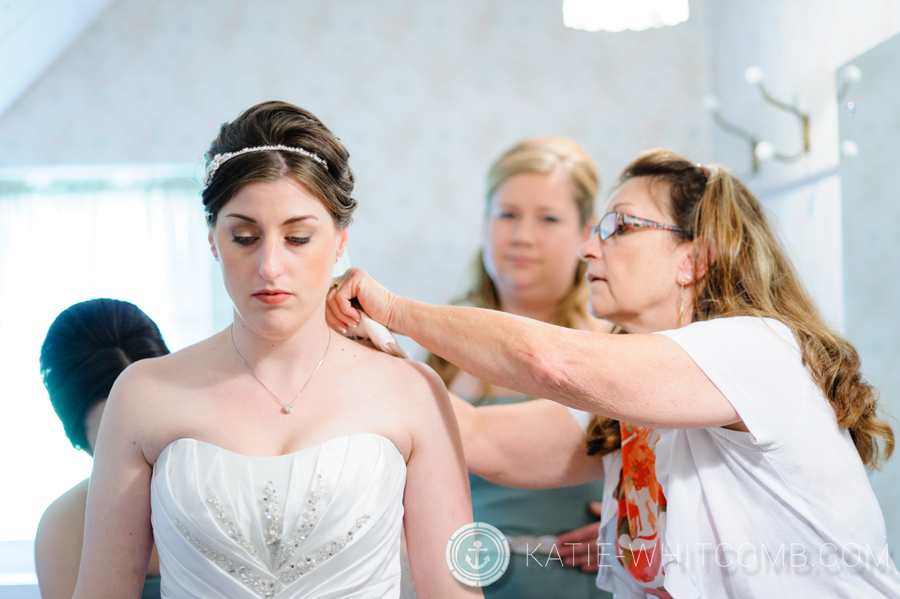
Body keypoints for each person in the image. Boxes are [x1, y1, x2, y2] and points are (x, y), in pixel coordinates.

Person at [328, 148, 900, 597]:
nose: (587, 250)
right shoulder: (636, 401)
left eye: (618, 228)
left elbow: (549, 361)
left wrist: (397, 311)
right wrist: (366, 341)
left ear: (695, 258)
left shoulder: (756, 347)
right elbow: (479, 437)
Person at [73, 101, 481, 599]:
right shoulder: (144, 395)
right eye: (244, 237)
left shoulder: (412, 392)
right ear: (212, 241)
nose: (269, 266)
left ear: (339, 242)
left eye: (298, 237)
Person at [426, 137, 612, 598]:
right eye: (507, 214)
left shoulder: (615, 346)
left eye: (547, 218)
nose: (522, 235)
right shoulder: (442, 350)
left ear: (585, 232)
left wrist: (639, 526)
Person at [36, 298, 169, 599]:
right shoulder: (64, 527)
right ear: (77, 435)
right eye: (114, 438)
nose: (141, 451)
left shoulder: (222, 483)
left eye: (149, 424)